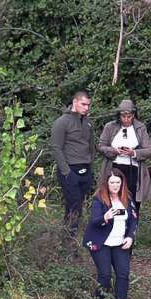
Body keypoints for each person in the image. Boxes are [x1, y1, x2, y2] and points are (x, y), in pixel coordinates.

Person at [82, 168, 137, 299]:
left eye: (118, 182)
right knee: (105, 274)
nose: (115, 185)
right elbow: (94, 221)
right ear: (106, 183)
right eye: (112, 182)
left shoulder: (127, 198)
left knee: (123, 273)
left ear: (122, 183)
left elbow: (133, 220)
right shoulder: (99, 199)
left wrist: (130, 237)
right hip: (101, 242)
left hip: (120, 242)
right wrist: (105, 217)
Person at [52, 91, 96, 254]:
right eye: (83, 104)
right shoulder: (62, 122)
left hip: (85, 169)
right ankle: (68, 244)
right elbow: (56, 147)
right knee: (74, 205)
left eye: (88, 105)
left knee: (78, 205)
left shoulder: (87, 123)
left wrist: (90, 163)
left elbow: (91, 145)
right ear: (75, 102)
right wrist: (66, 171)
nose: (86, 108)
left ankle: (70, 240)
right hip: (70, 170)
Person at [98, 99, 151, 218]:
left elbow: (149, 150)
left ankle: (131, 227)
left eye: (129, 116)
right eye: (124, 116)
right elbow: (101, 146)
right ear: (119, 116)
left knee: (132, 197)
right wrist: (114, 150)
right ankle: (113, 225)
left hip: (133, 168)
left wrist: (133, 152)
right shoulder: (110, 127)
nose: (127, 119)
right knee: (113, 195)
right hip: (114, 167)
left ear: (133, 115)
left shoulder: (140, 128)